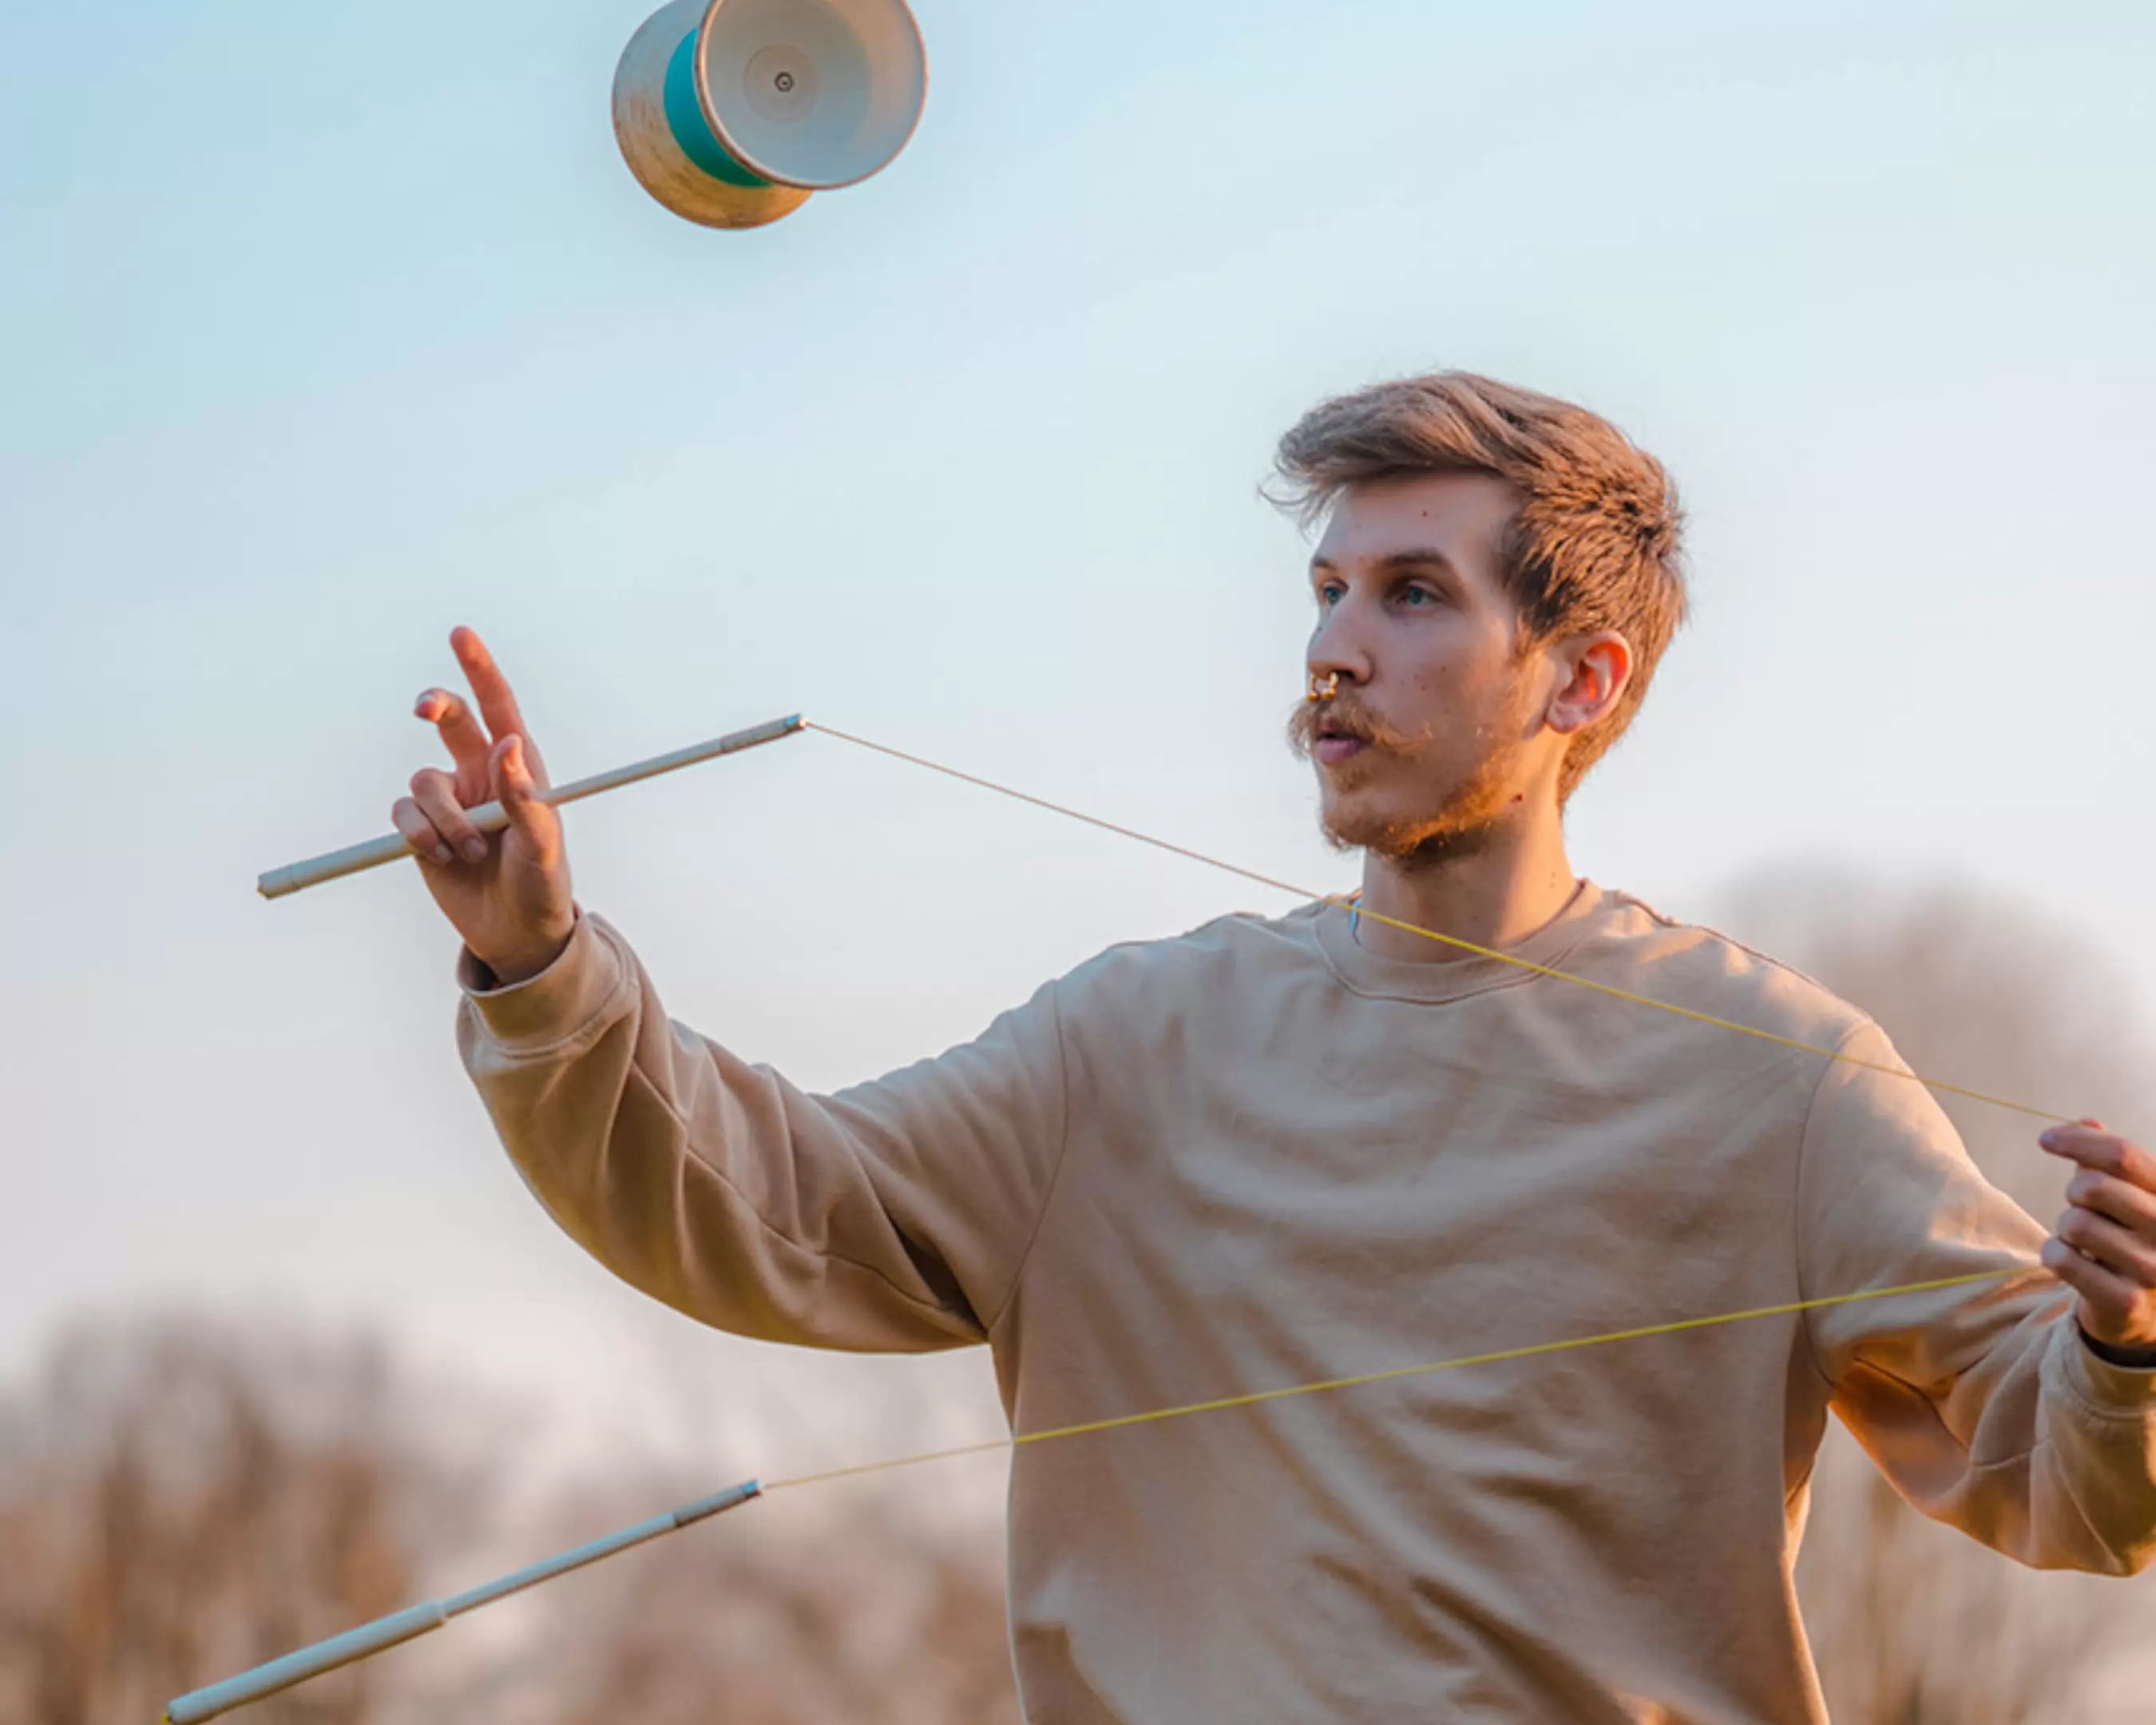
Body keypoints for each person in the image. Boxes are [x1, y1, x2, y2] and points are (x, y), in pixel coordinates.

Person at [390, 371, 2156, 1723]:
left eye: (1409, 595)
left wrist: (2131, 1342)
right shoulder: (1129, 1045)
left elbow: (2069, 1478)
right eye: (1323, 591)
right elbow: (761, 1206)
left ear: (1581, 681)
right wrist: (541, 960)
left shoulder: (1779, 1072)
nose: (1330, 653)